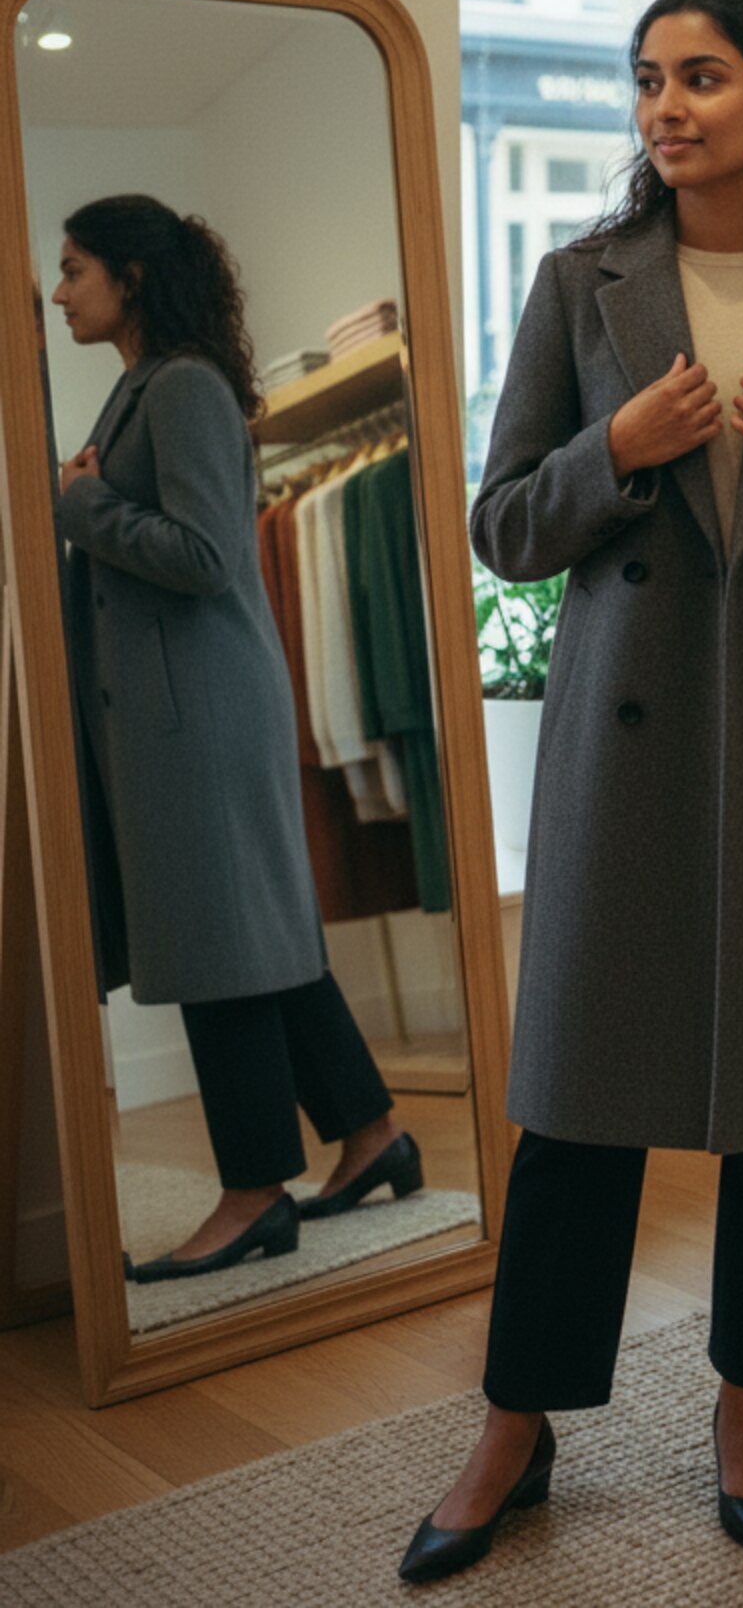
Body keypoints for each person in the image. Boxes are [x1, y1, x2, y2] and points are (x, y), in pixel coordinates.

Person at [403, 0, 743, 1584]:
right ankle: (517, 1422)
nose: (667, 108)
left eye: (701, 77)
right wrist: (619, 449)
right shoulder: (581, 284)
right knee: (580, 1101)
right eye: (648, 80)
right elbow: (505, 526)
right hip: (627, 745)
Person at [52, 196, 415, 1284]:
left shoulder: (183, 387)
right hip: (186, 710)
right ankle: (371, 1133)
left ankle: (255, 1193)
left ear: (130, 276)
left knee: (220, 949)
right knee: (256, 933)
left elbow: (208, 553)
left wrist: (82, 507)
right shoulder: (145, 387)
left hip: (198, 715)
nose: (61, 292)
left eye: (74, 269)